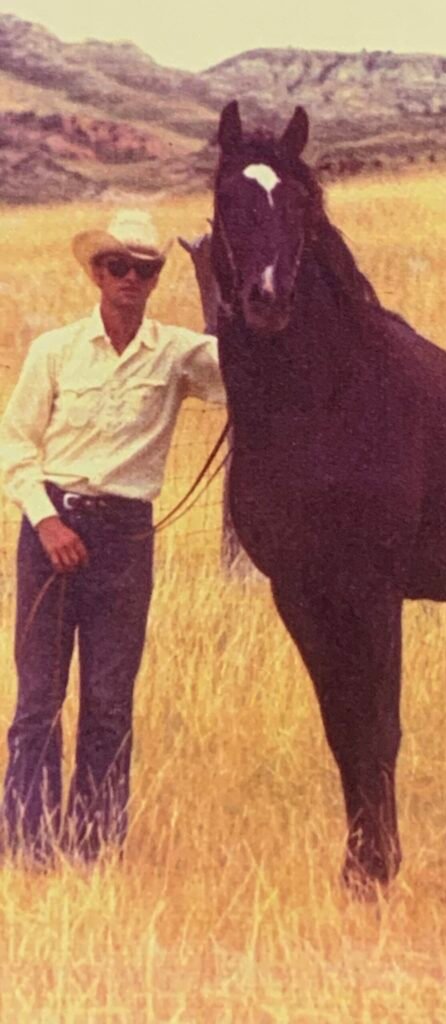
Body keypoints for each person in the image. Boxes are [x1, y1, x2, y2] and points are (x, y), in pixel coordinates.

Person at [0, 209, 224, 864]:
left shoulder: (179, 352)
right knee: (39, 698)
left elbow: (246, 374)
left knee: (108, 701)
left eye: (145, 268)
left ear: (157, 278)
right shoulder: (55, 351)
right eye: (118, 266)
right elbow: (14, 445)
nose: (131, 278)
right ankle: (28, 851)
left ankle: (94, 851)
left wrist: (219, 280)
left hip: (125, 537)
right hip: (51, 530)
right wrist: (45, 520)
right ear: (97, 272)